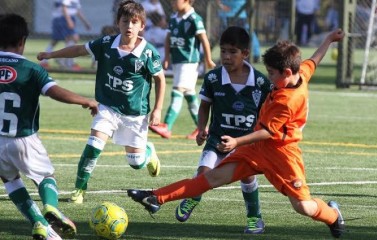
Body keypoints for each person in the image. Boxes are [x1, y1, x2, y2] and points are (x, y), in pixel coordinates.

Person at [127, 28, 346, 238]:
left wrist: (237, 141)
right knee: (210, 177)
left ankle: (333, 215)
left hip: (283, 154)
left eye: (271, 73)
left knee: (304, 207)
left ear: (287, 73)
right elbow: (313, 61)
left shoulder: (286, 100)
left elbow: (267, 132)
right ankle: (155, 196)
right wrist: (328, 39)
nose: (269, 78)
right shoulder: (300, 73)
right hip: (257, 150)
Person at [38, 0, 166, 204]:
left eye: (134, 22)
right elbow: (80, 50)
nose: (129, 26)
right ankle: (79, 190)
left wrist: (158, 109)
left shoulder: (148, 52)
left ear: (142, 25)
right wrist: (50, 55)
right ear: (118, 23)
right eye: (125, 21)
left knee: (136, 162)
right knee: (93, 145)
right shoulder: (106, 43)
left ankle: (148, 152)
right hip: (106, 107)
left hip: (135, 113)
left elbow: (160, 79)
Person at [0, 14, 98, 239]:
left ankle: (39, 223)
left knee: (10, 179)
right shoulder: (31, 69)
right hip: (23, 139)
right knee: (45, 177)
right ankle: (51, 207)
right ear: (22, 42)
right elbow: (54, 92)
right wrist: (86, 100)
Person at [174, 26, 273, 234]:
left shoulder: (261, 82)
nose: (227, 57)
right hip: (217, 140)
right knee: (204, 173)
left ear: (245, 53)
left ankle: (255, 218)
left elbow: (267, 114)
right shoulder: (213, 78)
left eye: (232, 52)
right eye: (223, 51)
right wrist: (201, 128)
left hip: (246, 144)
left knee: (247, 178)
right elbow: (204, 106)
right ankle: (193, 197)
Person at [149, 0, 216, 140]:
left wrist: (208, 59)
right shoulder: (174, 17)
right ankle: (202, 128)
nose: (172, 2)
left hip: (189, 62)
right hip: (178, 62)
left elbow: (204, 39)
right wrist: (166, 57)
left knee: (178, 90)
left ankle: (166, 126)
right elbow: (168, 38)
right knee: (189, 94)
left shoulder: (194, 18)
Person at [40, 0, 91, 71]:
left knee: (55, 41)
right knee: (73, 38)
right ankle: (69, 63)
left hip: (65, 18)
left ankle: (45, 61)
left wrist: (85, 22)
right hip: (63, 18)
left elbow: (77, 11)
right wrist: (69, 20)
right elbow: (64, 7)